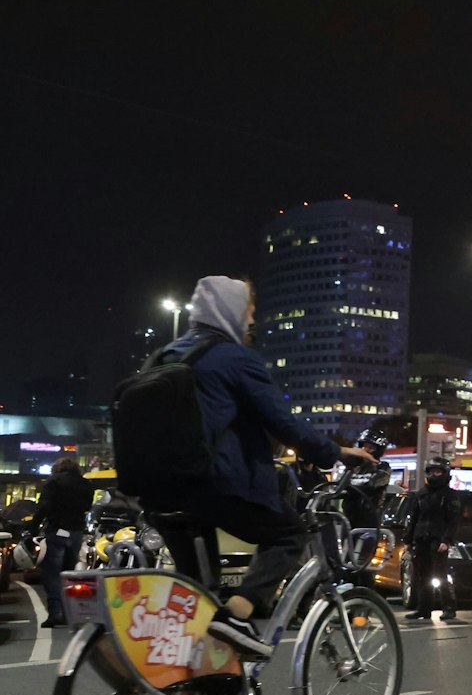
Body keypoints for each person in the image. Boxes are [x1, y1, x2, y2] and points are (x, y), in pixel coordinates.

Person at [141, 276, 378, 657]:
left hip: (160, 492)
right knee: (289, 534)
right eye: (249, 311)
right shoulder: (233, 358)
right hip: (215, 485)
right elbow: (283, 421)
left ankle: (194, 683)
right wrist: (336, 452)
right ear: (230, 312)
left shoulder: (163, 356)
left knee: (199, 596)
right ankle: (238, 614)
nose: (252, 320)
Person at [403, 457, 463, 622]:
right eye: (432, 471)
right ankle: (424, 610)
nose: (434, 475)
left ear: (445, 473)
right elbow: (414, 518)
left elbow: (453, 520)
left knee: (440, 575)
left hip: (438, 540)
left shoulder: (450, 495)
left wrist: (446, 540)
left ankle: (449, 608)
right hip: (421, 538)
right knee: (422, 576)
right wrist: (408, 540)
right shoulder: (420, 494)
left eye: (438, 472)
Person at [34, 458, 89, 629]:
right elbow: (87, 506)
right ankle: (68, 612)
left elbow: (44, 507)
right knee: (69, 572)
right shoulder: (85, 484)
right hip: (76, 532)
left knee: (52, 573)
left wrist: (33, 526)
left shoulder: (53, 482)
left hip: (57, 529)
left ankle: (54, 613)